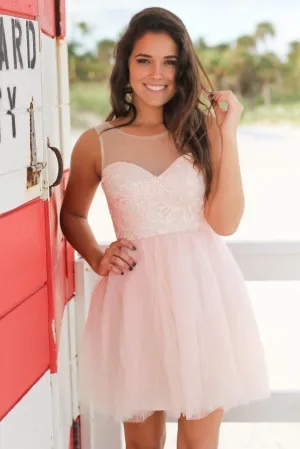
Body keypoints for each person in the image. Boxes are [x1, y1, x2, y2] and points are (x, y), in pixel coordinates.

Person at [60, 7, 271, 449]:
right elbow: (73, 214)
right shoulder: (96, 141)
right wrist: (97, 256)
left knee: (198, 443)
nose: (157, 73)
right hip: (134, 302)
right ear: (126, 66)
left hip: (203, 298)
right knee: (141, 445)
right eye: (144, 60)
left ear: (183, 68)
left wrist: (227, 135)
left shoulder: (202, 131)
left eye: (170, 61)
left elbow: (225, 222)